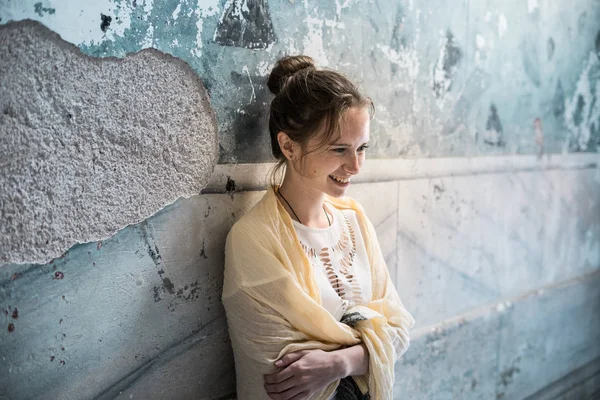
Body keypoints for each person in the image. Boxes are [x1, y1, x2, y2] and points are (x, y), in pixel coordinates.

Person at [222, 55, 415, 400]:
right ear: (288, 146)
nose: (355, 166)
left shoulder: (354, 220)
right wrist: (368, 348)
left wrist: (336, 363)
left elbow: (400, 329)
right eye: (339, 149)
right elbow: (280, 373)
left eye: (361, 148)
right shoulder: (253, 238)